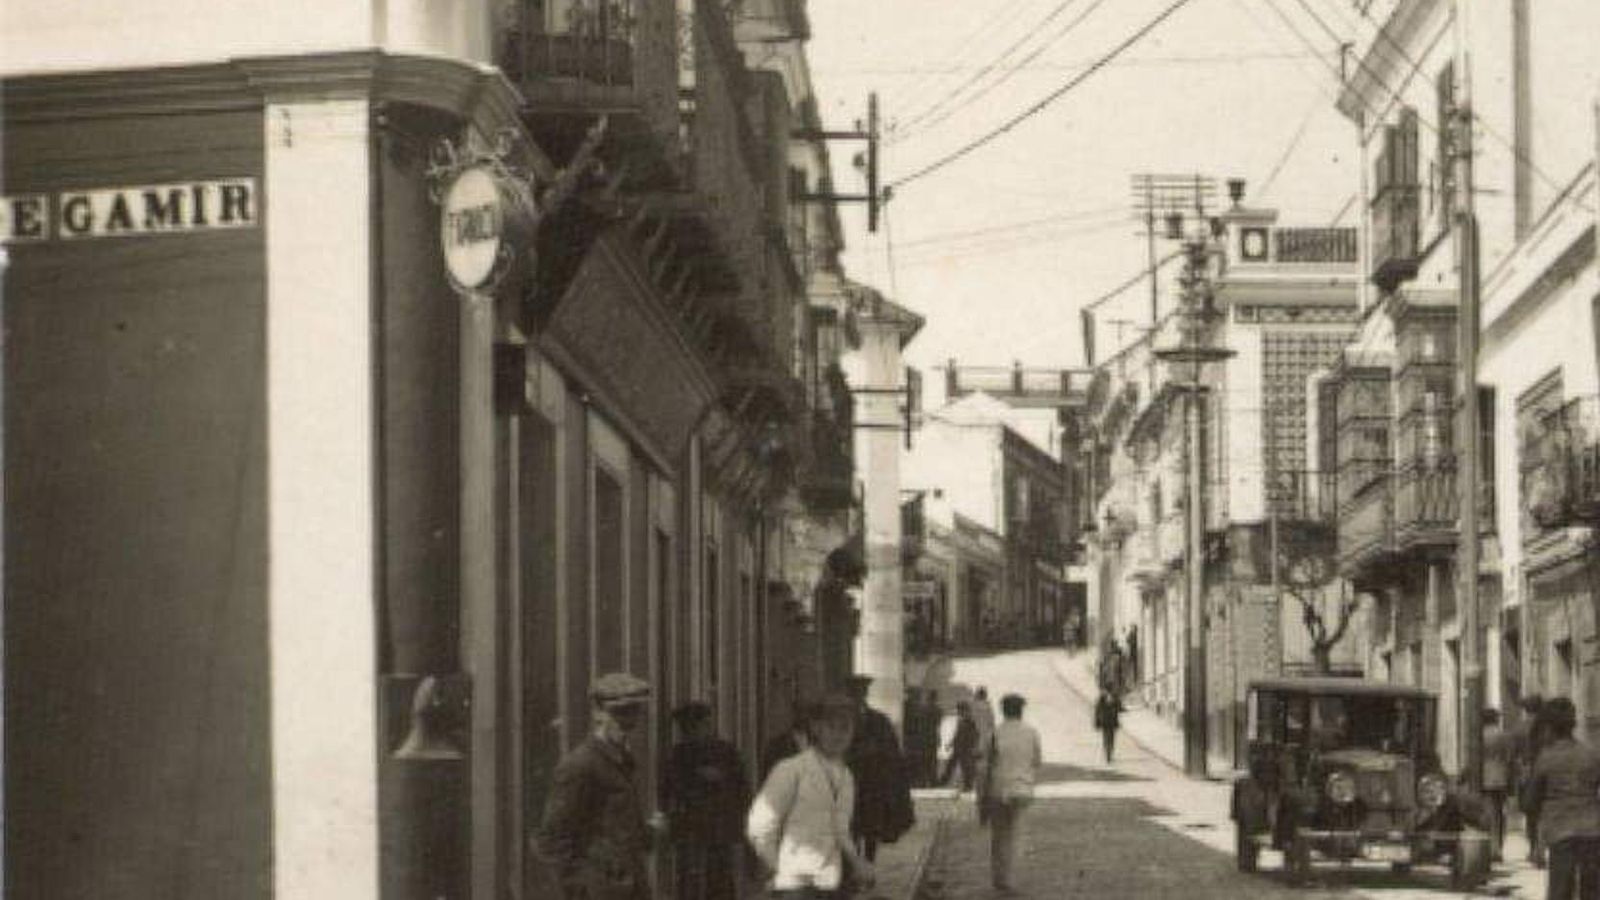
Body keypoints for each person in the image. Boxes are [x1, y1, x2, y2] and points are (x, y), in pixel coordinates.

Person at [535, 672, 658, 900]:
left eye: (634, 712)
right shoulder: (581, 765)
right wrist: (579, 890)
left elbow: (616, 828)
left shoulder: (622, 760)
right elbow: (552, 839)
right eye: (619, 713)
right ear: (598, 713)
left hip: (630, 887)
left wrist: (649, 832)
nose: (627, 722)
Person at [747, 696, 876, 899]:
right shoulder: (791, 770)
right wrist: (777, 867)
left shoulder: (846, 776)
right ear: (816, 729)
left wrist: (857, 862)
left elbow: (840, 829)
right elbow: (760, 824)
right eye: (831, 727)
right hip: (795, 884)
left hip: (830, 882)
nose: (838, 735)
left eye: (844, 728)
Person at [663, 701, 749, 900]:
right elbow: (669, 789)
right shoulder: (678, 755)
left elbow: (742, 790)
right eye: (688, 729)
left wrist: (721, 779)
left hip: (720, 830)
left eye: (698, 726)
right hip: (691, 831)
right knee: (690, 881)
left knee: (720, 880)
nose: (694, 733)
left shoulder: (726, 751)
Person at [1520, 697, 1600, 900]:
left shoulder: (1546, 758)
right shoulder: (1591, 754)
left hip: (1560, 832)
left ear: (1549, 728)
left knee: (1560, 890)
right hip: (1592, 830)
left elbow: (1529, 802)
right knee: (1592, 890)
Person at [842, 675, 915, 862]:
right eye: (854, 694)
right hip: (847, 783)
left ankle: (868, 865)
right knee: (850, 829)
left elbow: (891, 751)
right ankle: (853, 868)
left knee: (871, 828)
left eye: (861, 693)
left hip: (872, 785)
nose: (859, 697)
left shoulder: (878, 720)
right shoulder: (839, 721)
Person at [988, 693, 1042, 895]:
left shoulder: (995, 733)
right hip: (1022, 789)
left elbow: (988, 762)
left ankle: (999, 879)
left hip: (999, 788)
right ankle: (1011, 880)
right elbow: (1037, 761)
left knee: (999, 835)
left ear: (1003, 711)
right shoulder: (1032, 732)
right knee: (1016, 835)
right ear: (1021, 710)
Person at [1516, 694, 1549, 866]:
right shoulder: (1547, 727)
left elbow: (1515, 754)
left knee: (1531, 814)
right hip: (1544, 774)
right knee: (1543, 813)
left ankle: (1533, 848)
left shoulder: (1520, 728)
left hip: (1527, 776)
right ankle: (1540, 850)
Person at [1481, 708, 1514, 862]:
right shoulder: (1503, 735)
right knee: (1500, 815)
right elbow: (1509, 757)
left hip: (1483, 777)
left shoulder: (1479, 735)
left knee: (1487, 813)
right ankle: (1497, 848)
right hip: (1500, 777)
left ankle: (1489, 847)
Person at [761, 700, 812, 783]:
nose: (804, 716)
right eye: (800, 711)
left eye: (808, 711)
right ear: (793, 714)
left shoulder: (821, 745)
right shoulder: (776, 748)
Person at [942, 700, 981, 791]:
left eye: (960, 710)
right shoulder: (962, 721)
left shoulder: (970, 722)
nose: (959, 713)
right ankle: (945, 781)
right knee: (954, 765)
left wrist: (973, 747)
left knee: (964, 767)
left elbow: (974, 735)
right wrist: (950, 744)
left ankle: (967, 785)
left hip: (965, 748)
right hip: (959, 747)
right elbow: (958, 734)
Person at [1093, 690, 1123, 764]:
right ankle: (1108, 753)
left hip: (1110, 721)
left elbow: (1119, 708)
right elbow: (1097, 711)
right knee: (1108, 738)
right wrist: (1097, 722)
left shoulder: (1114, 698)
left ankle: (1109, 753)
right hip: (1106, 722)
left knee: (1109, 738)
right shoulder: (1102, 698)